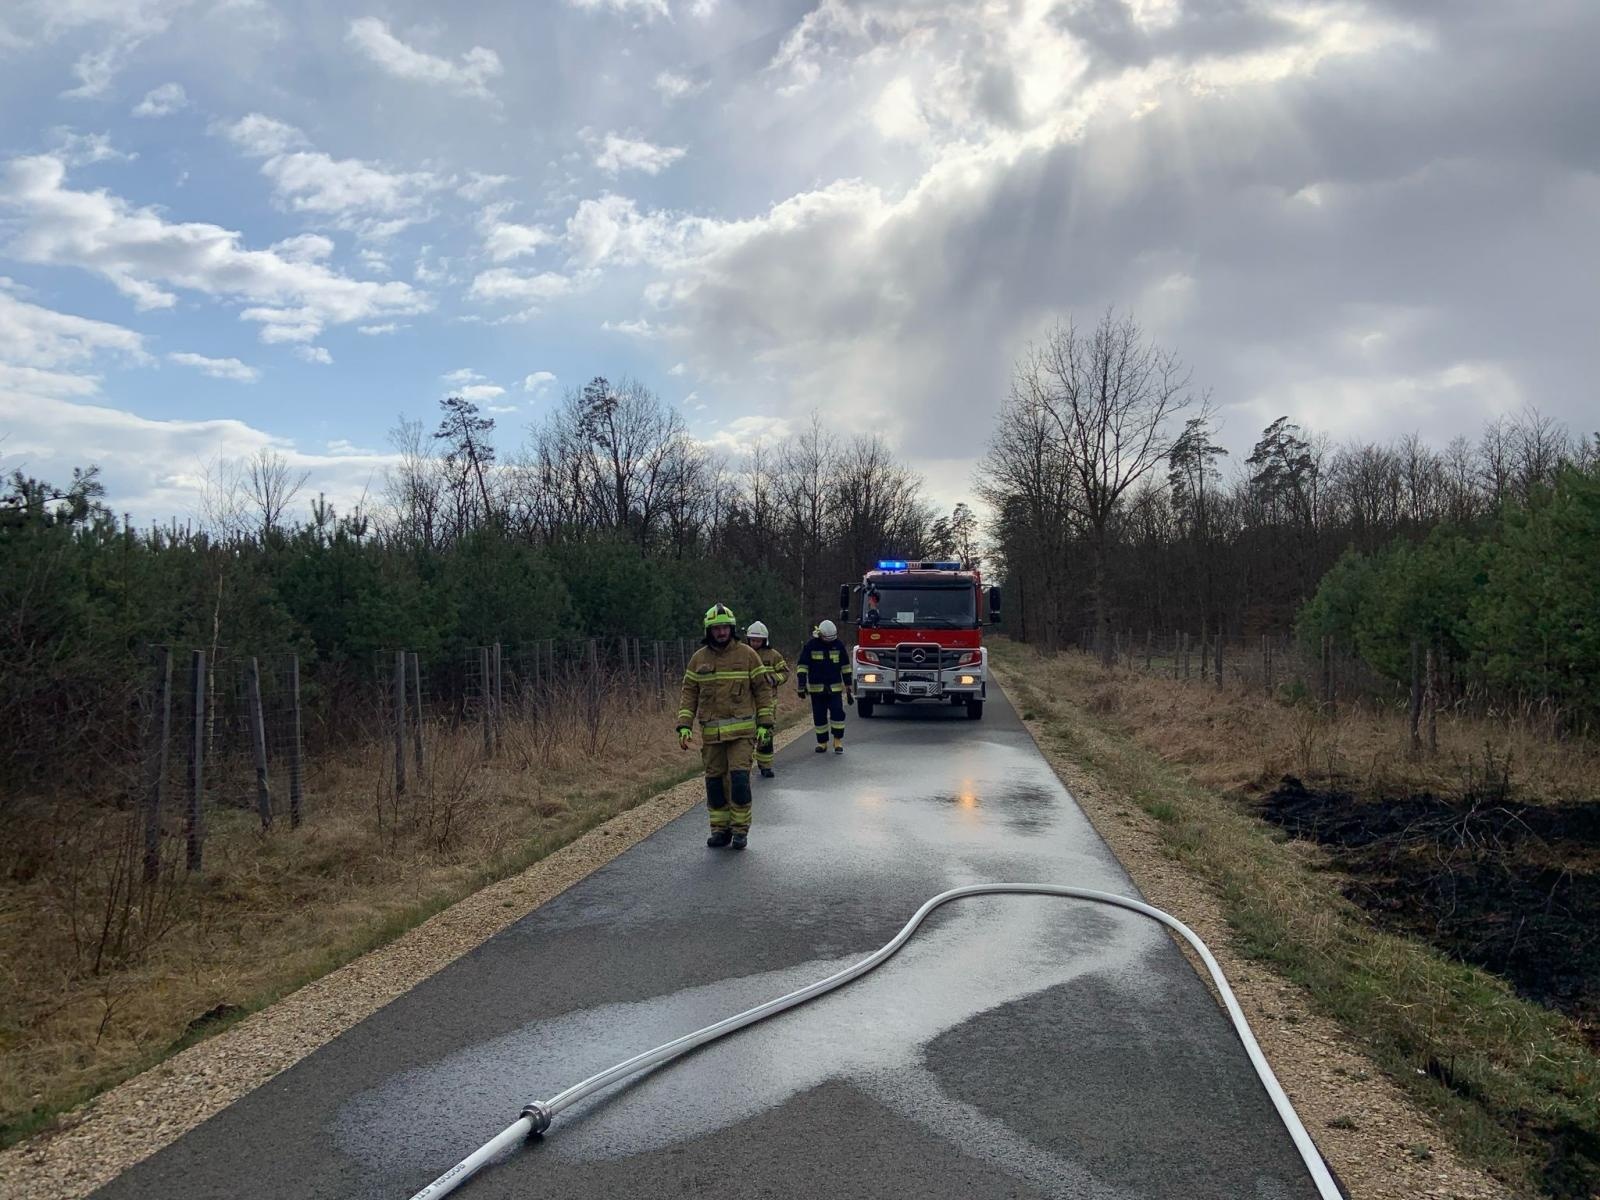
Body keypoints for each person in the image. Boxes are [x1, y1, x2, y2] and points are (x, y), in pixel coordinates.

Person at [677, 603, 775, 850]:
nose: (721, 632)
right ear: (709, 631)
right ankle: (720, 829)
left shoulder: (747, 655)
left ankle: (740, 831)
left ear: (731, 629)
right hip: (711, 736)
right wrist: (683, 726)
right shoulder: (698, 659)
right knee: (715, 783)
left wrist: (765, 724)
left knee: (739, 780)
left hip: (742, 734)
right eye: (716, 628)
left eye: (724, 628)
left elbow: (762, 690)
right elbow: (689, 693)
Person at [795, 619, 853, 754]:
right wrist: (801, 684)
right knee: (819, 716)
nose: (830, 641)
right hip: (817, 690)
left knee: (838, 714)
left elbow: (845, 666)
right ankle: (822, 743)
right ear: (820, 635)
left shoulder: (838, 645)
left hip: (835, 689)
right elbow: (802, 666)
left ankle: (838, 741)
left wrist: (848, 686)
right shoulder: (811, 646)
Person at [745, 621, 788, 778]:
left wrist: (773, 679)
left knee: (766, 733)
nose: (755, 643)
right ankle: (744, 766)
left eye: (758, 640)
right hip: (747, 702)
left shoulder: (773, 655)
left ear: (765, 640)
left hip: (769, 702)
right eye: (752, 640)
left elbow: (785, 672)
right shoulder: (743, 654)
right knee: (746, 735)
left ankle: (765, 765)